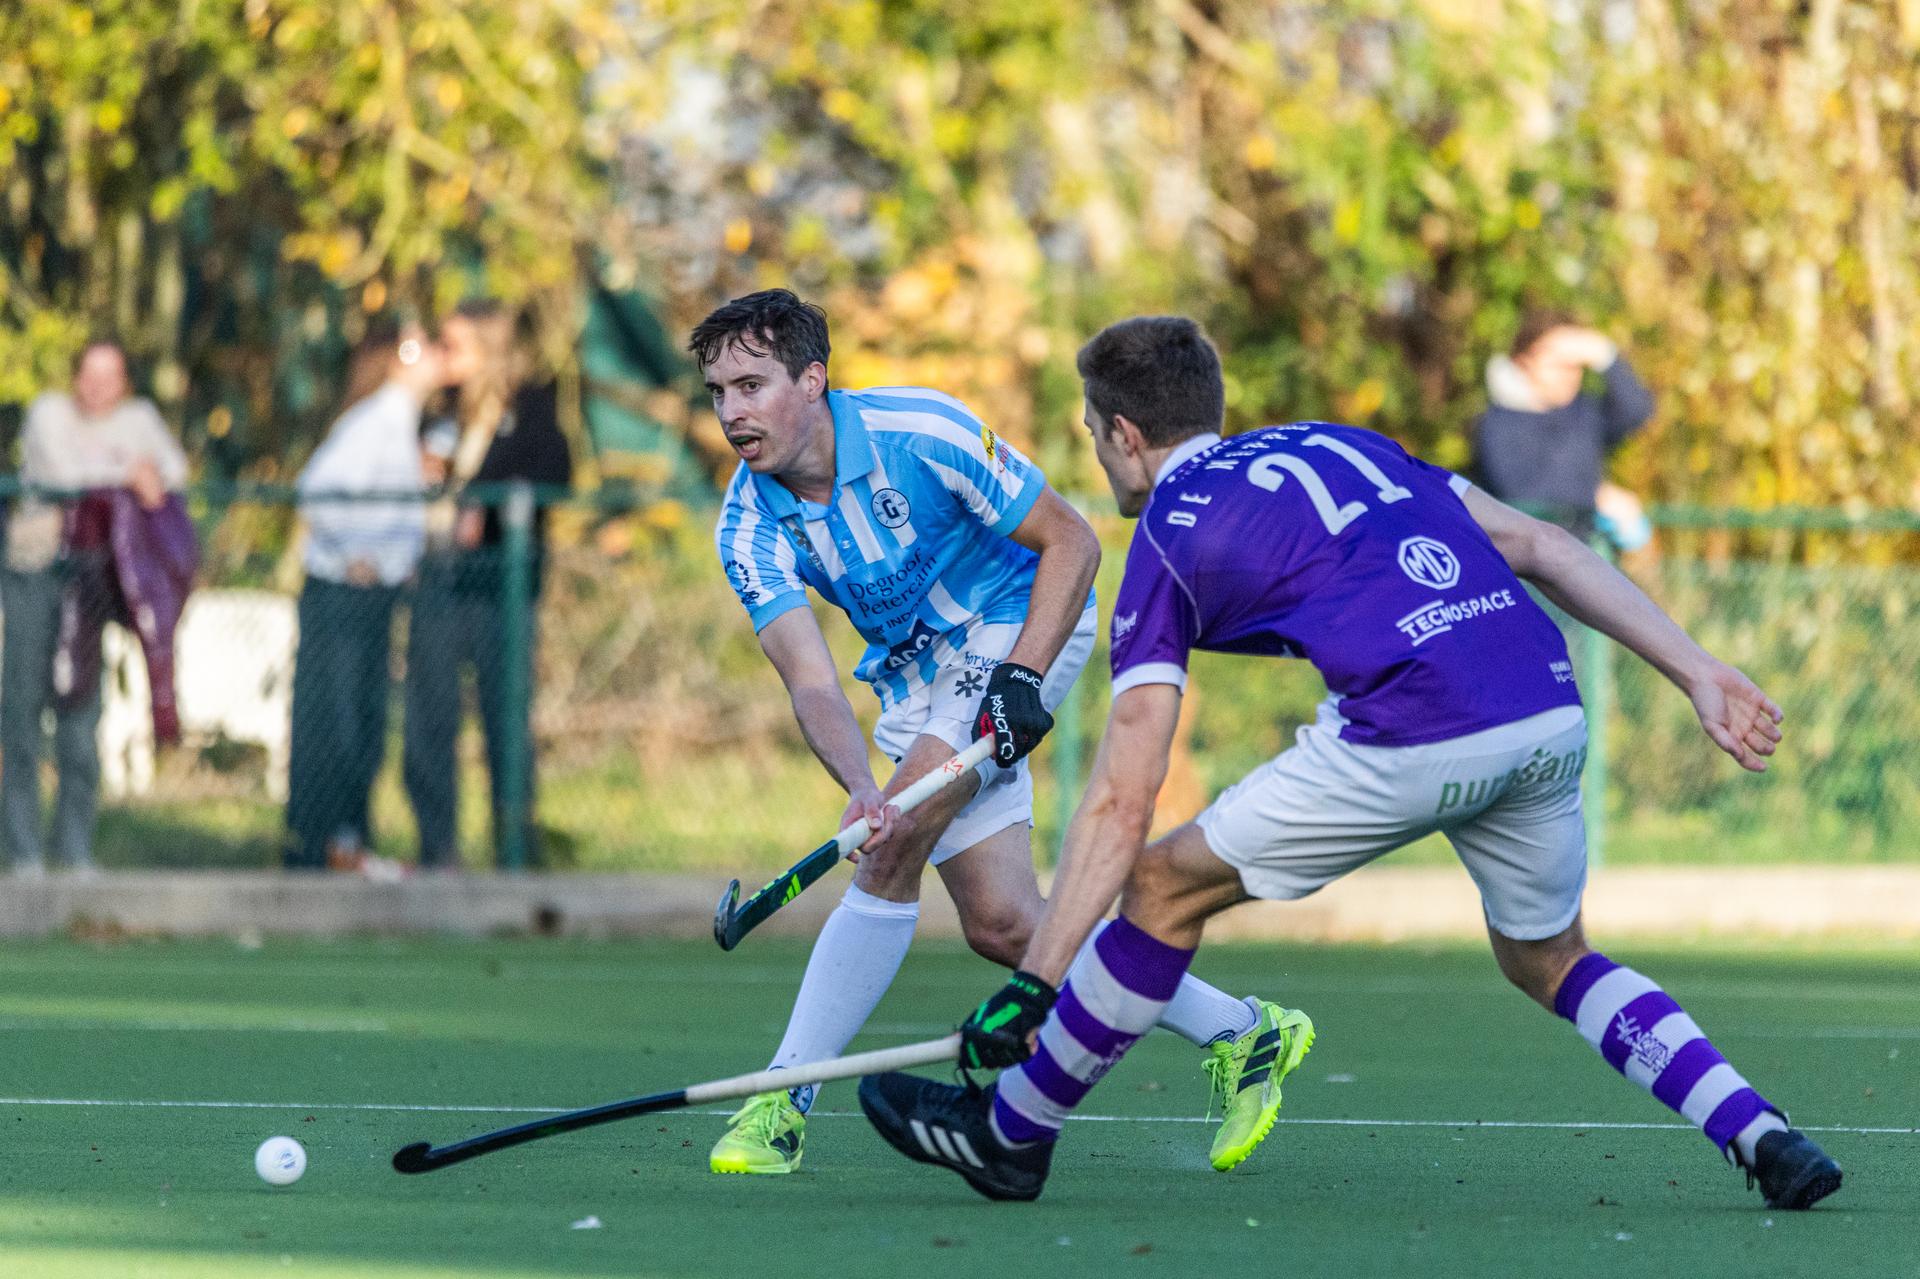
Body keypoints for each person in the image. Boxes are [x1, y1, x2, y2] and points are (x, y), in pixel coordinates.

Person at [859, 316, 1843, 1213]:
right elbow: (1541, 544)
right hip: (1544, 706)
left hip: (1413, 726)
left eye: (1090, 431)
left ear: (1124, 434)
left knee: (1158, 886)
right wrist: (1699, 670)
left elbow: (1123, 796)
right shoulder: (1344, 443)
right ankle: (1761, 1131)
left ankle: (1012, 1131)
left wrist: (1037, 979)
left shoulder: (1166, 529)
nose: (1095, 449)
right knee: (1552, 958)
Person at [697, 290, 1302, 1177]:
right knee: (1006, 925)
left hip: (1020, 621)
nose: (731, 412)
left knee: (890, 853)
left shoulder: (922, 431)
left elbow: (1073, 542)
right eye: (718, 393)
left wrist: (1019, 675)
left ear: (813, 379)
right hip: (914, 675)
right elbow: (811, 678)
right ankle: (1245, 1031)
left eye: (751, 385)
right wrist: (861, 786)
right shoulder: (746, 523)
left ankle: (782, 1099)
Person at [3, 339, 187, 874]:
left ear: (124, 382)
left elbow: (172, 471)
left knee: (81, 717)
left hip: (92, 583)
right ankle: (22, 851)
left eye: (111, 376)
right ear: (75, 377)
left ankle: (75, 849)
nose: (99, 387)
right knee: (22, 712)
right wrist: (127, 471)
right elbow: (64, 477)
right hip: (37, 573)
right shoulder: (49, 412)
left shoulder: (139, 418)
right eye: (90, 374)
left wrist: (121, 472)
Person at [403, 299, 571, 869]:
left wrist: (486, 502)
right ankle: (437, 849)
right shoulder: (436, 409)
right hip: (439, 583)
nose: (443, 356)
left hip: (500, 590)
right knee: (429, 717)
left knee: (506, 721)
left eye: (454, 345)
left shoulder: (531, 405)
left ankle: (514, 849)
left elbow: (554, 472)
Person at [286, 318, 444, 871]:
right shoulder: (375, 420)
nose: (433, 355)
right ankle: (323, 843)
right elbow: (317, 493)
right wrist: (356, 554)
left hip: (374, 595)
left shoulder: (401, 425)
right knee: (339, 722)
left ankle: (345, 840)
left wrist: (399, 558)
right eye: (419, 346)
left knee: (365, 721)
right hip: (343, 595)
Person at [1471, 311, 1654, 538]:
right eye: (1559, 363)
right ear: (1524, 361)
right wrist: (1597, 497)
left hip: (1580, 546)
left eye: (1576, 365)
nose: (1569, 375)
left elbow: (1636, 410)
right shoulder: (1497, 423)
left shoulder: (1583, 413)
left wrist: (1604, 354)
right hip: (1522, 554)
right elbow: (1521, 496)